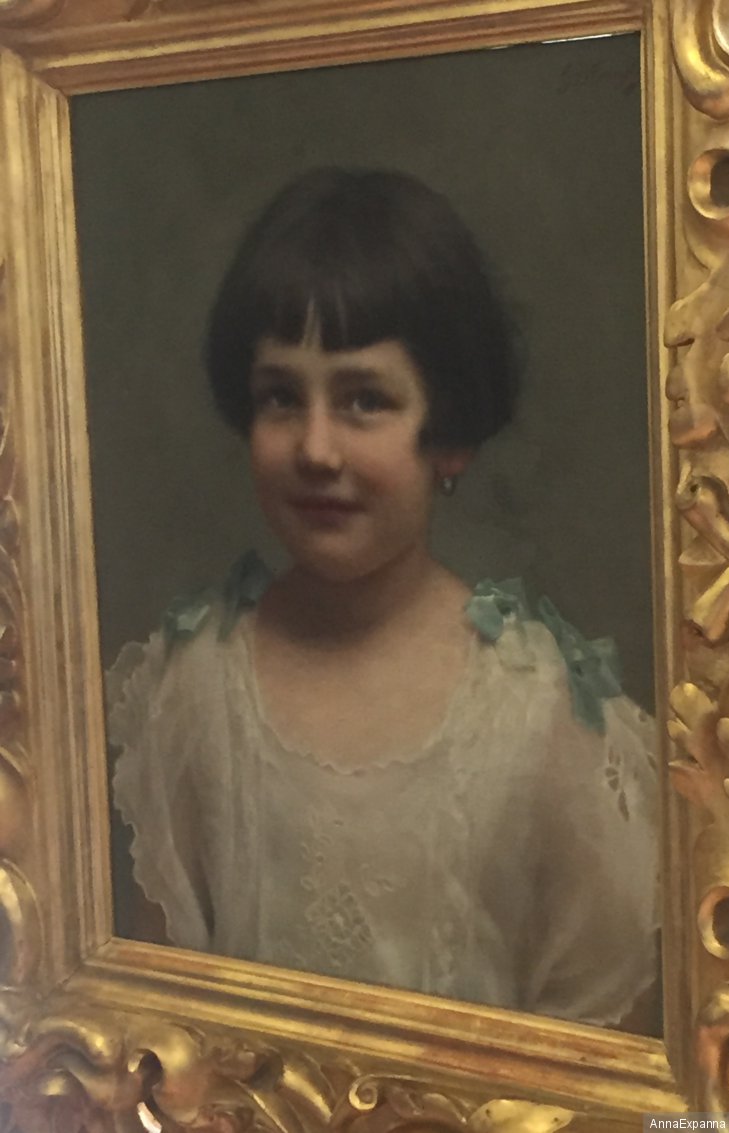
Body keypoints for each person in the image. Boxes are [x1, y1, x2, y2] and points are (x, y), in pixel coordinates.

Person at [109, 167, 659, 1029]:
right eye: (281, 398)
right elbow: (159, 1020)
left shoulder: (542, 712)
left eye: (364, 400)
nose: (315, 448)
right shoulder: (197, 683)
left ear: (449, 436)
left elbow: (603, 1035)